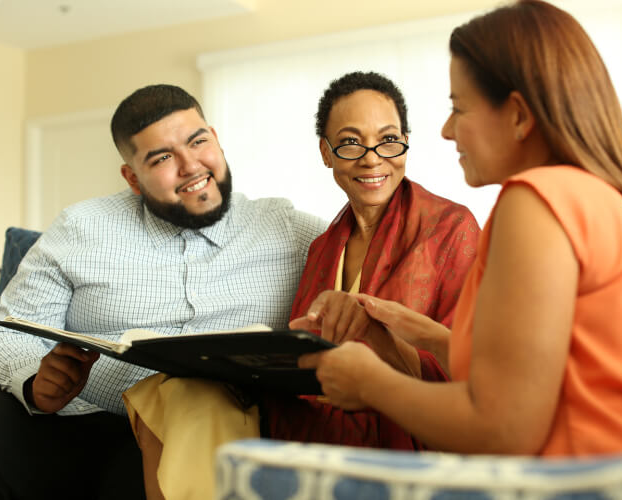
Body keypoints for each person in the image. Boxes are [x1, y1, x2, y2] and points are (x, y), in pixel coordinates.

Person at [298, 0, 622, 457]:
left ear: (518, 115)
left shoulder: (533, 202)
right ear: (326, 151)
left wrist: (368, 382)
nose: (447, 131)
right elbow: (541, 374)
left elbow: (505, 426)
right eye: (351, 142)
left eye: (459, 109)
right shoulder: (592, 195)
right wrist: (424, 334)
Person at [127, 71, 480, 499]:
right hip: (317, 421)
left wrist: (374, 332)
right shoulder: (321, 246)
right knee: (168, 392)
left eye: (388, 140)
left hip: (410, 435)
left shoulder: (451, 227)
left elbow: (465, 378)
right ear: (326, 153)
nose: (372, 159)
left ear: (406, 140)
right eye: (350, 142)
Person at [0, 84, 326, 500]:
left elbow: (370, 261)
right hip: (95, 426)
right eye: (163, 157)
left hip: (237, 421)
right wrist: (35, 383)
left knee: (197, 396)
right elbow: (9, 330)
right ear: (132, 177)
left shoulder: (290, 229)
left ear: (216, 139)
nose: (191, 166)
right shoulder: (80, 229)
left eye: (198, 141)